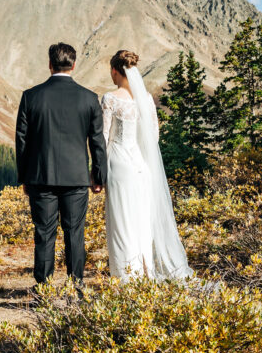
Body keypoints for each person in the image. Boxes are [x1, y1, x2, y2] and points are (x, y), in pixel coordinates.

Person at [15, 43, 107, 289]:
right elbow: (97, 141)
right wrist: (98, 176)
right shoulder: (89, 99)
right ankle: (76, 286)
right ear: (74, 65)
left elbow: (21, 141)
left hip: (40, 177)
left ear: (49, 64)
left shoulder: (31, 96)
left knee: (44, 233)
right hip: (76, 178)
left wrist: (24, 176)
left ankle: (43, 288)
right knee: (74, 233)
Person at [102, 50, 192, 281]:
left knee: (122, 223)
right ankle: (145, 273)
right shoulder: (146, 101)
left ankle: (125, 278)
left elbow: (102, 138)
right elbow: (153, 136)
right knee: (141, 222)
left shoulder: (110, 99)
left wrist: (97, 172)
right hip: (141, 167)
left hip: (119, 164)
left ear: (114, 71)